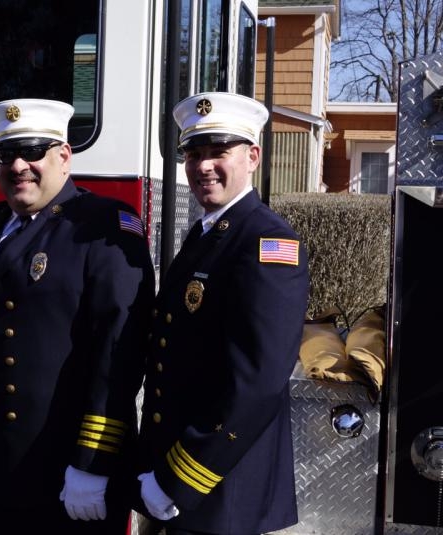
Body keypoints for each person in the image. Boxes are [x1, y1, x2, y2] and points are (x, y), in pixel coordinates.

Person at [0, 98, 155, 534]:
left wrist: (93, 462)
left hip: (69, 474)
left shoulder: (104, 225)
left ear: (63, 156)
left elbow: (118, 354)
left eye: (33, 152)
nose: (19, 165)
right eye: (7, 155)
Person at [136, 92, 309, 535]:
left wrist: (180, 476)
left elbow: (258, 380)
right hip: (181, 484)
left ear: (252, 157)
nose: (203, 166)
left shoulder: (267, 243)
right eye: (193, 154)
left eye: (218, 152)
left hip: (219, 490)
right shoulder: (207, 234)